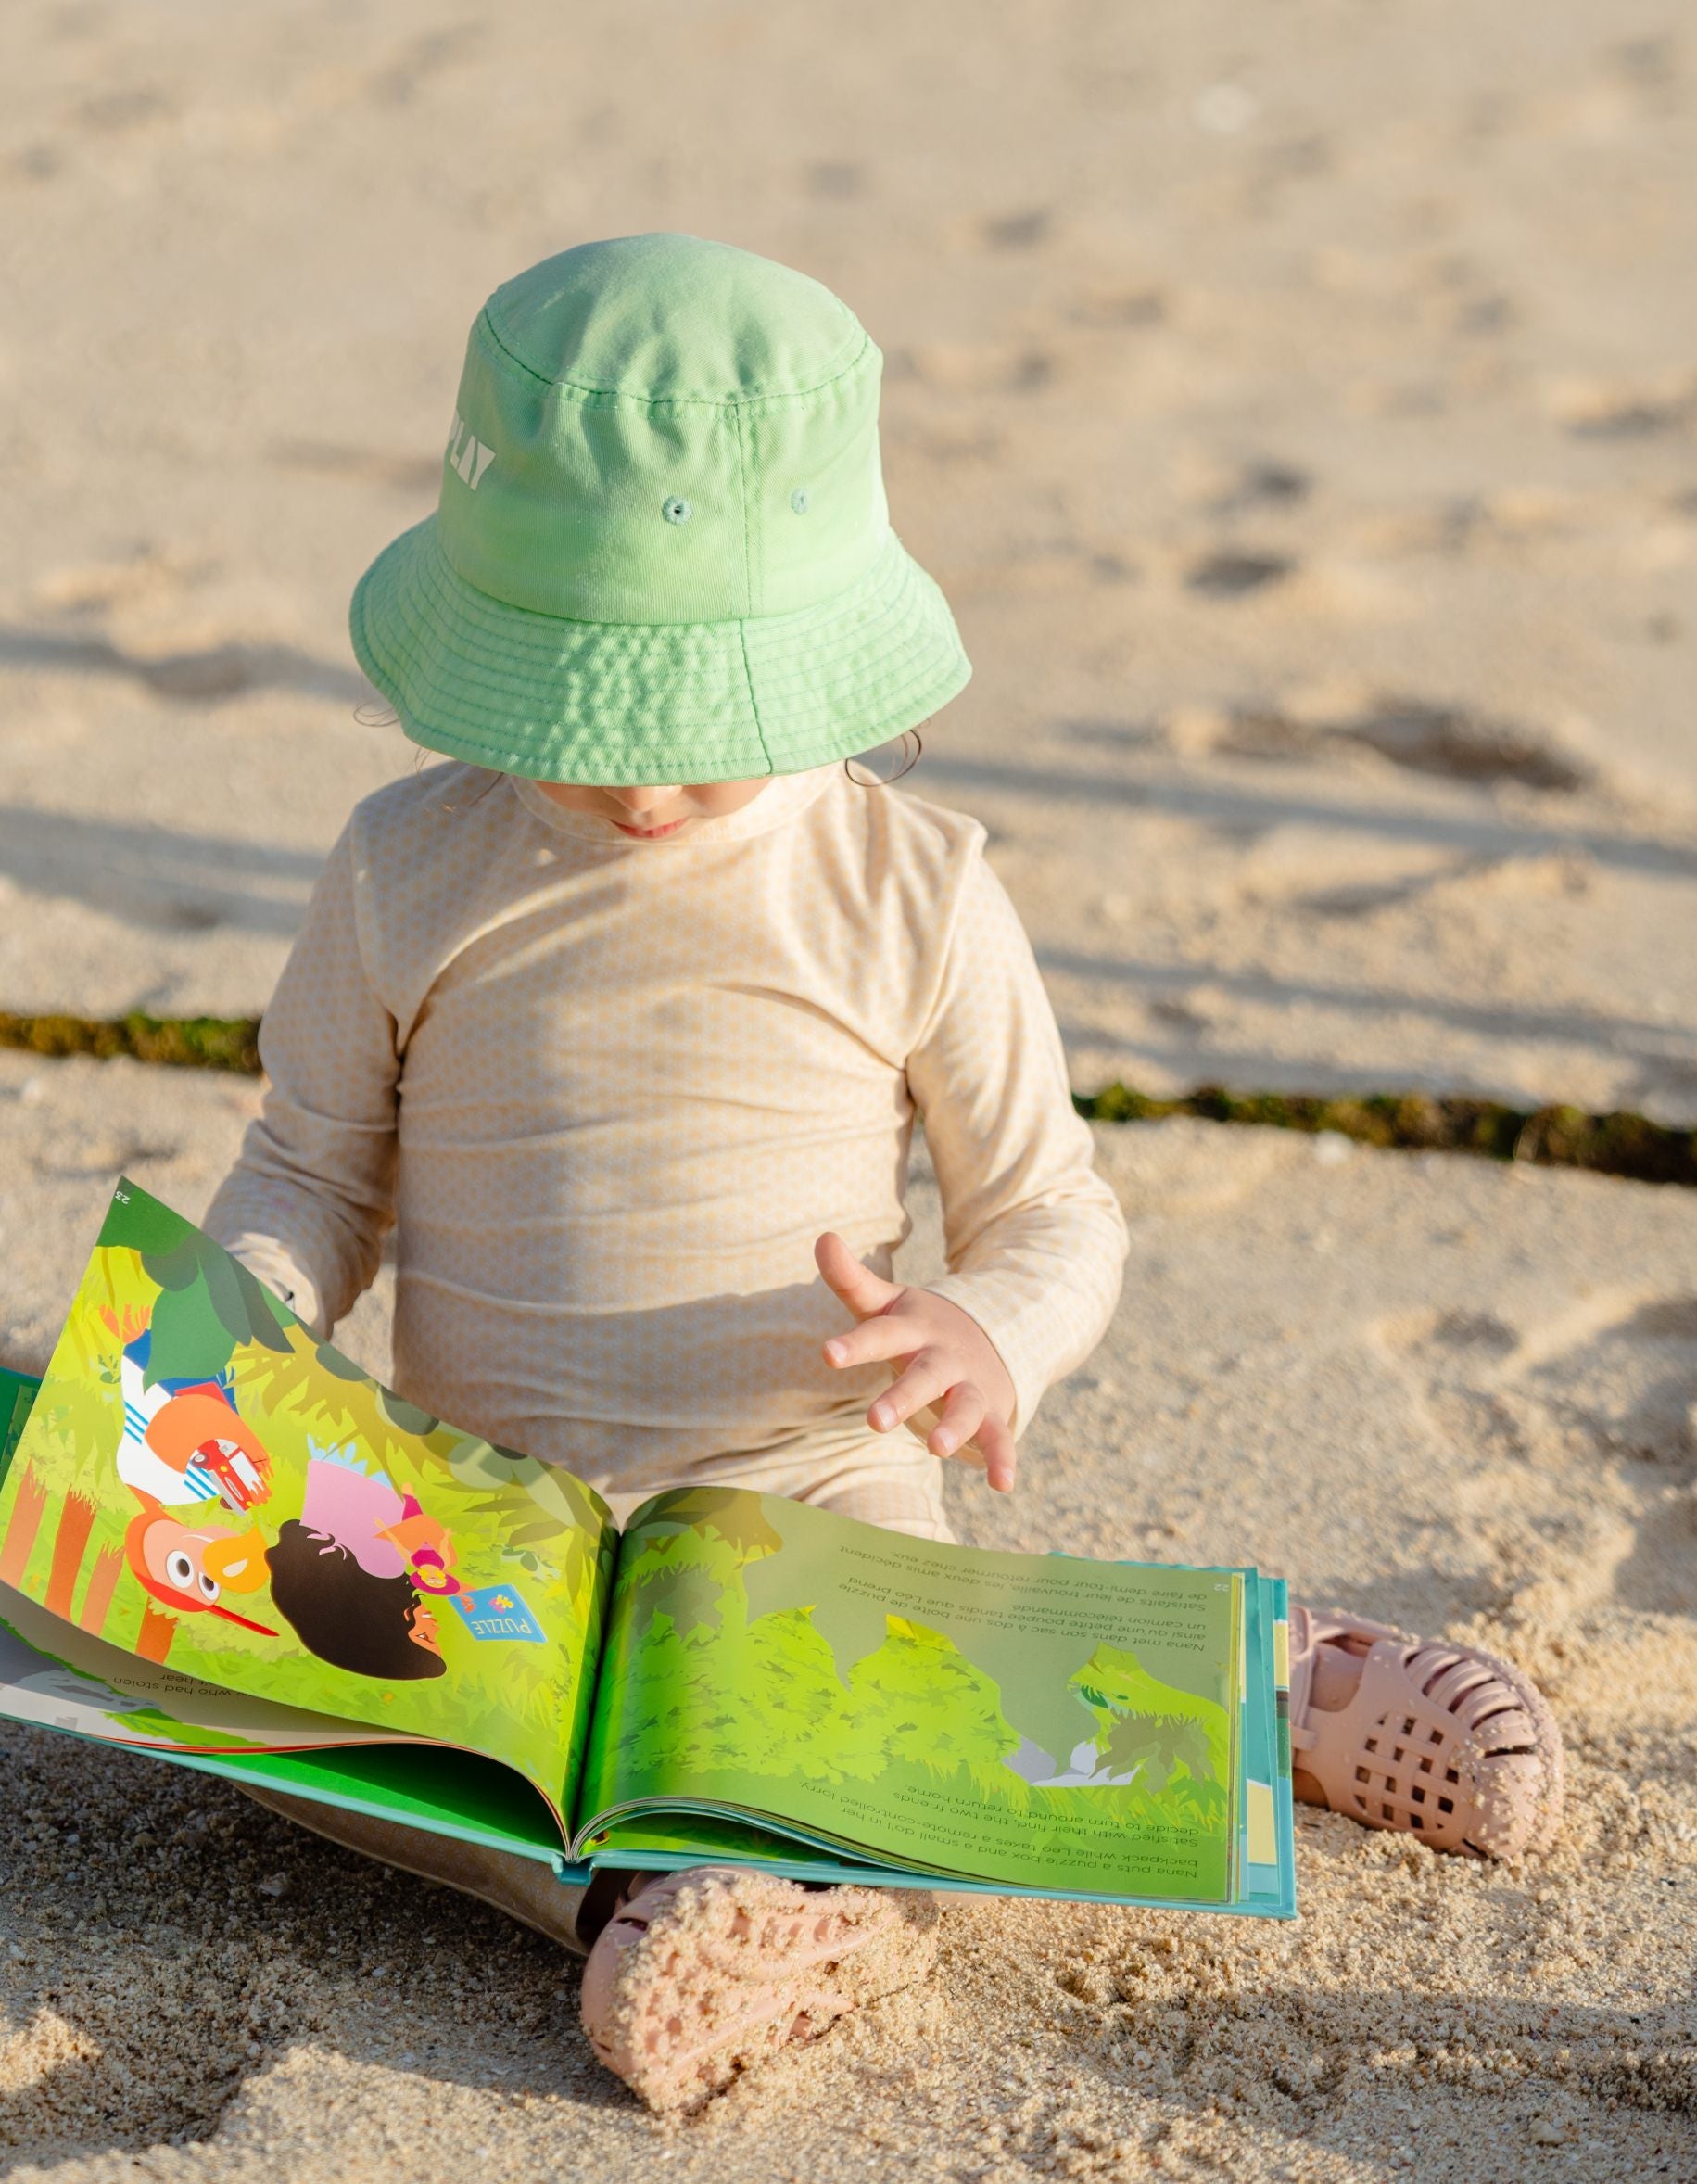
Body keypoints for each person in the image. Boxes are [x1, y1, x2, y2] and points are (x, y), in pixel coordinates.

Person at [204, 234, 1564, 2114]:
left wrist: (986, 1330)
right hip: (478, 1509)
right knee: (262, 1699)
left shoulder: (909, 886)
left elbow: (1052, 1211)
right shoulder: (406, 864)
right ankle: (681, 1881)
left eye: (699, 720)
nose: (647, 791)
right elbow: (306, 1166)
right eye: (582, 715)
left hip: (805, 1472)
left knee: (905, 1689)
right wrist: (237, 1324)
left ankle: (1277, 1690)